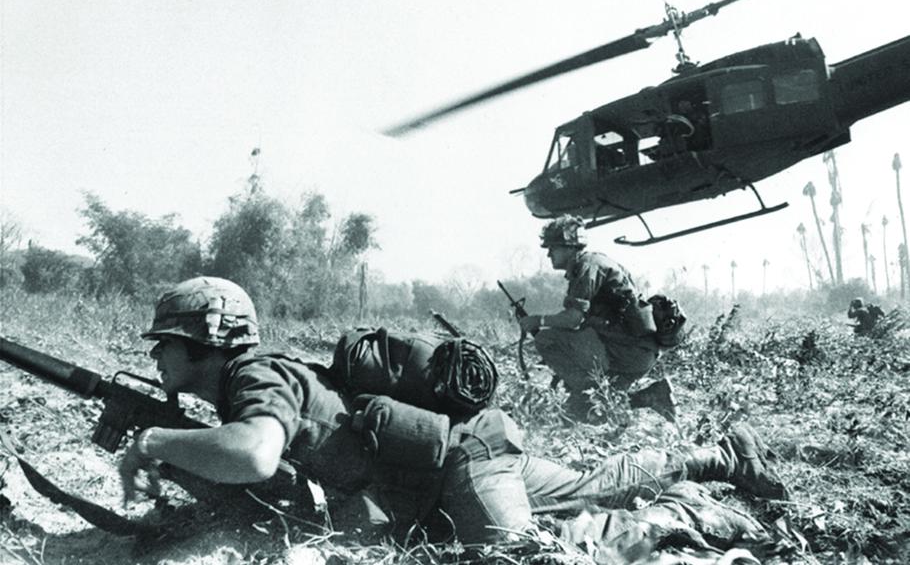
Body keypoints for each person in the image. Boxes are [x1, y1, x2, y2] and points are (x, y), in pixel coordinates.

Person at [120, 276, 787, 554]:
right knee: (590, 485)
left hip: (458, 468)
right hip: (466, 454)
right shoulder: (261, 375)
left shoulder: (253, 375)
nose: (157, 357)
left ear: (202, 341)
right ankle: (720, 457)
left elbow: (255, 454)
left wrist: (154, 440)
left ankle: (686, 516)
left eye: (164, 343)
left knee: (528, 556)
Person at [518, 215, 676, 422]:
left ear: (569, 246)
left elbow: (572, 319)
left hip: (626, 351)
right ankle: (654, 395)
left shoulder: (587, 267)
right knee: (583, 411)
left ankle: (586, 391)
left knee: (545, 339)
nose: (548, 254)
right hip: (637, 353)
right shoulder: (595, 263)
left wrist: (536, 321)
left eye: (553, 247)